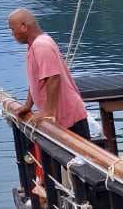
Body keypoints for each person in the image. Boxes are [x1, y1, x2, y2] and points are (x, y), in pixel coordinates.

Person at [8, 8, 91, 139]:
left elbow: (53, 78)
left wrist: (48, 112)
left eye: (12, 29)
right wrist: (28, 105)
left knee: (80, 151)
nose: (12, 34)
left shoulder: (41, 45)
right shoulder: (34, 45)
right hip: (60, 117)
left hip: (69, 117)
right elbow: (36, 80)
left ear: (23, 26)